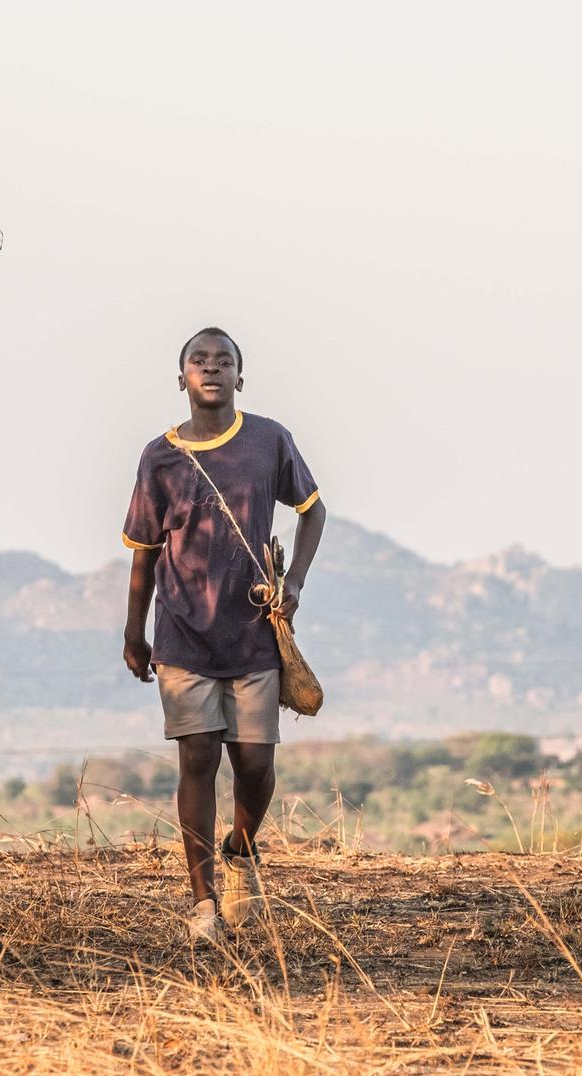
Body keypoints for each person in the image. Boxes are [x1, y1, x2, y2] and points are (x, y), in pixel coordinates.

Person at [121, 327, 326, 942]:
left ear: (241, 375)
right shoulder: (159, 457)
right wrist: (135, 633)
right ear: (180, 376)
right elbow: (144, 554)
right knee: (197, 757)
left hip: (254, 631)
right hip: (182, 632)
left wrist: (297, 586)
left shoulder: (269, 441)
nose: (211, 369)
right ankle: (205, 903)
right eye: (198, 361)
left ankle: (240, 849)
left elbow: (312, 510)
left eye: (223, 361)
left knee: (256, 765)